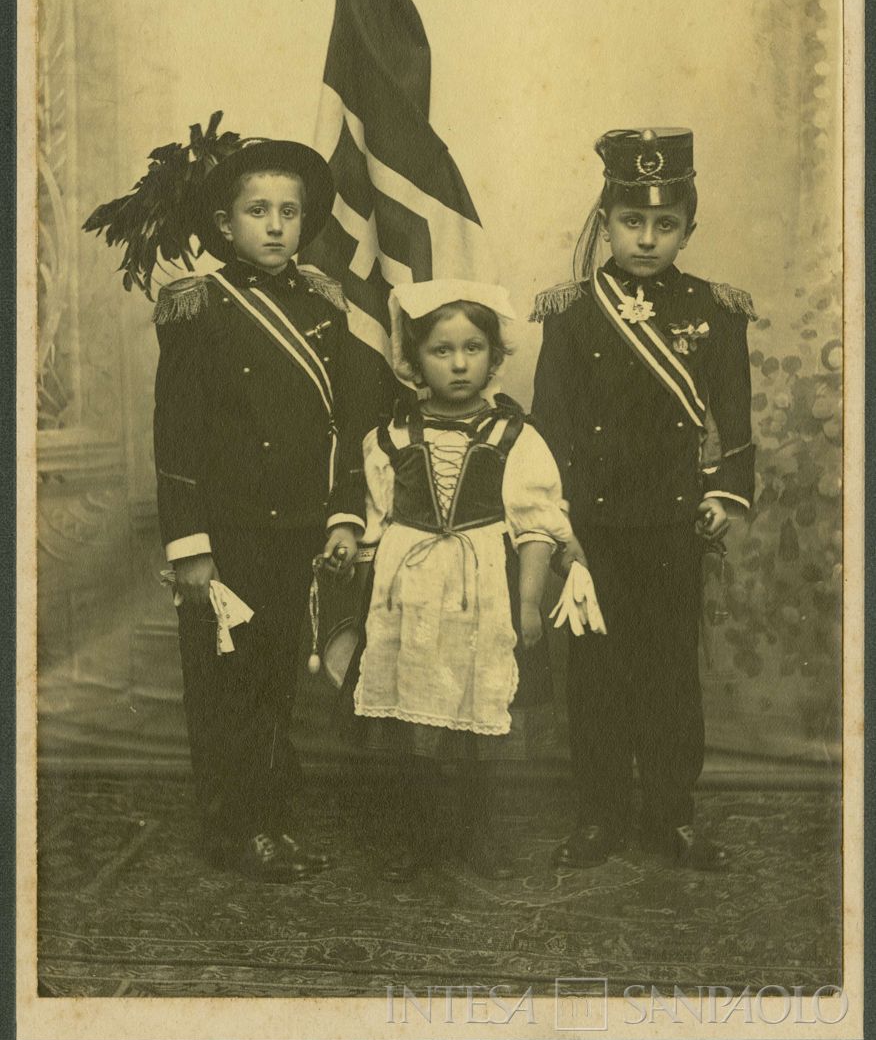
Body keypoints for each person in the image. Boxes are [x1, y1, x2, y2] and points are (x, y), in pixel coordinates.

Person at [152, 137, 381, 881]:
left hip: (298, 528)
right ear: (225, 224)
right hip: (226, 534)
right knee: (227, 686)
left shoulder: (321, 301)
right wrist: (189, 545)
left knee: (278, 678)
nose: (277, 226)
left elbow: (346, 423)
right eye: (258, 211)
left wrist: (344, 513)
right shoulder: (198, 305)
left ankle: (271, 825)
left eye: (290, 211)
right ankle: (235, 828)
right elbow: (177, 432)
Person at [530, 128, 756, 870]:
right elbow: (551, 423)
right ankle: (599, 814)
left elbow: (735, 417)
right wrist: (556, 523)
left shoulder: (715, 311)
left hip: (671, 524)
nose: (648, 239)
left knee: (667, 675)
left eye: (666, 225)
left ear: (689, 228)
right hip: (591, 530)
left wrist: (725, 495)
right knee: (595, 678)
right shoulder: (570, 314)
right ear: (606, 223)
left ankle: (669, 815)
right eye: (632, 222)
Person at [329, 280, 573, 883]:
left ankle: (475, 832)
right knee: (412, 714)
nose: (459, 364)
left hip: (480, 590)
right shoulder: (388, 439)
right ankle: (418, 834)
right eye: (441, 350)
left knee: (476, 711)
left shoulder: (516, 437)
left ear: (494, 357)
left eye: (472, 348)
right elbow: (373, 531)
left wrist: (529, 605)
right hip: (406, 595)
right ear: (413, 361)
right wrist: (359, 610)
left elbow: (537, 526)